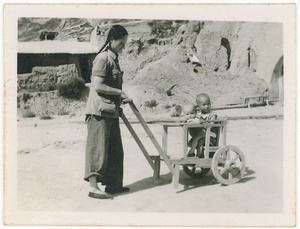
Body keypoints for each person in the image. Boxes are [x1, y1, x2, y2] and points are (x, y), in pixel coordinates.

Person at [84, 25, 131, 199]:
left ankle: (112, 185)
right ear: (111, 40)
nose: (123, 47)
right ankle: (93, 188)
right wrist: (119, 92)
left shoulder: (114, 58)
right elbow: (98, 85)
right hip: (98, 112)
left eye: (125, 44)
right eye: (121, 43)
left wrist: (119, 98)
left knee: (115, 150)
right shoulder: (103, 58)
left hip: (111, 111)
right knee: (98, 150)